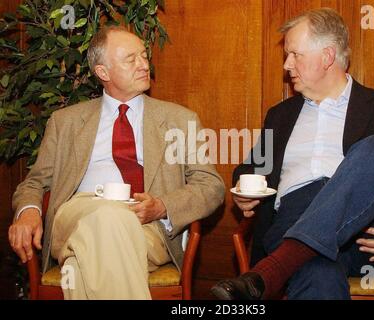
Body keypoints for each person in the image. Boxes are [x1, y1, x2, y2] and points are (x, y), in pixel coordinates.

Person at [211, 8, 374, 300]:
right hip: (291, 223)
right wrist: (244, 190)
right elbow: (250, 170)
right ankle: (285, 262)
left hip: (368, 240)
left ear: (327, 56)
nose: (286, 64)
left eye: (295, 54)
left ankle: (271, 271)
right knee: (318, 274)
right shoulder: (281, 116)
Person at [8, 25, 225, 299]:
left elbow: (211, 186)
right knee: (106, 217)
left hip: (146, 226)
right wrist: (28, 210)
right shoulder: (66, 122)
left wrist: (162, 206)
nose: (144, 64)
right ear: (103, 72)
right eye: (130, 59)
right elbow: (35, 182)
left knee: (86, 261)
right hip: (77, 216)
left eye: (144, 56)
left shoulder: (180, 120)